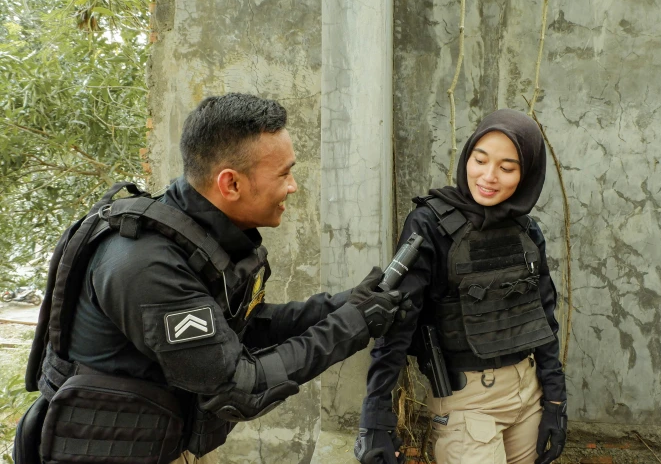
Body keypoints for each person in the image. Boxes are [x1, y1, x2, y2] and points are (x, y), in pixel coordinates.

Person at [16, 93, 408, 464]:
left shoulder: (200, 239)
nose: (293, 186)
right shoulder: (147, 267)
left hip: (164, 445)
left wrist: (344, 305)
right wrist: (351, 325)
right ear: (230, 184)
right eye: (284, 174)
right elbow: (239, 385)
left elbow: (238, 332)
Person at [354, 109, 567, 464]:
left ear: (526, 174)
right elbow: (396, 325)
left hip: (528, 395)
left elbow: (542, 316)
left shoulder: (527, 231)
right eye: (479, 160)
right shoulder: (429, 224)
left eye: (507, 167)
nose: (488, 176)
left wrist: (556, 401)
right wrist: (376, 417)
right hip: (468, 404)